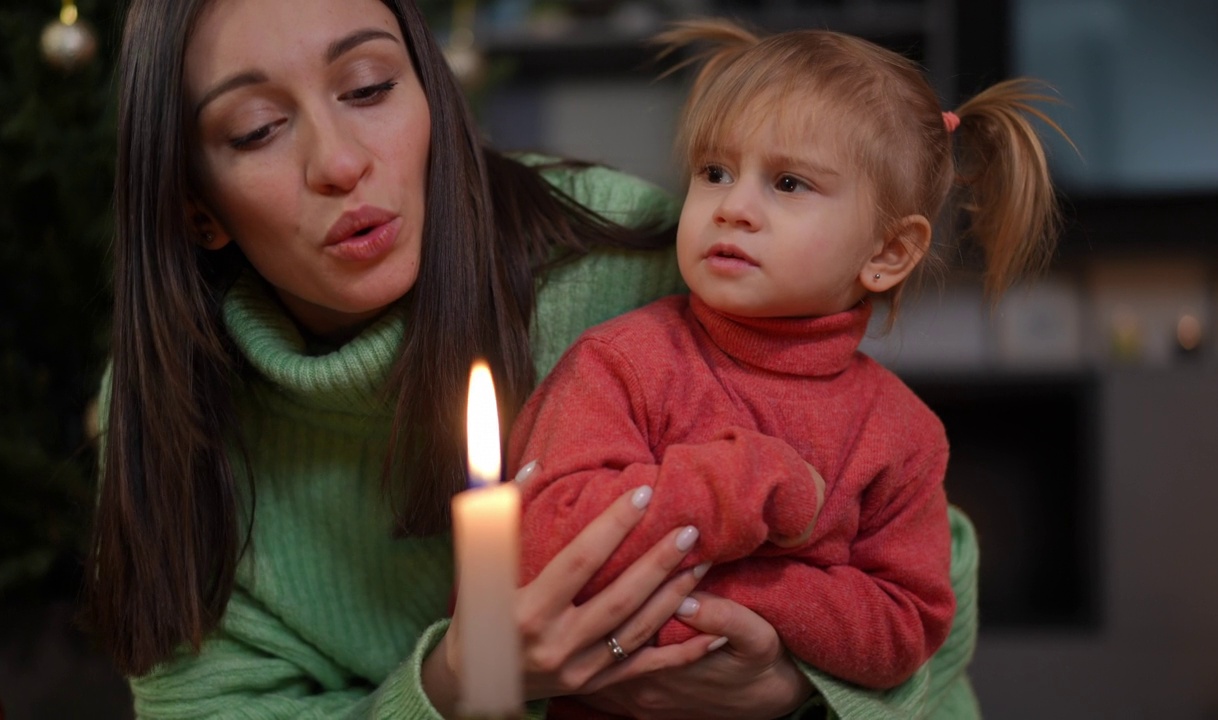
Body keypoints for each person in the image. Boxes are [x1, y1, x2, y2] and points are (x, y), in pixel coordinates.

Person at [77, 1, 983, 718]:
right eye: (257, 130)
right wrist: (449, 689)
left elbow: (923, 580)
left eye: (367, 88)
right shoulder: (167, 411)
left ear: (432, 92)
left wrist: (785, 690)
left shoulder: (629, 256)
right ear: (198, 205)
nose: (342, 162)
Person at [511, 18, 1070, 718]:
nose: (733, 208)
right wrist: (741, 486)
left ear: (889, 253)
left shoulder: (904, 436)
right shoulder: (619, 364)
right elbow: (538, 543)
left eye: (788, 183)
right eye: (714, 172)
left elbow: (907, 625)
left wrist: (747, 594)